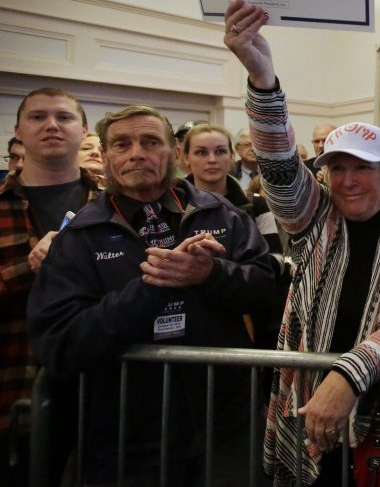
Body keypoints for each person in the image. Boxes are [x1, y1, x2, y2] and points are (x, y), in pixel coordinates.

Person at [222, 0, 380, 487]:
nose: (346, 180)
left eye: (361, 167)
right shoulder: (314, 218)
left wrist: (347, 376)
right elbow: (280, 164)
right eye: (336, 168)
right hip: (304, 407)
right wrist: (262, 78)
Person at [26, 103, 275, 487]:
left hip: (225, 422)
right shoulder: (78, 237)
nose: (136, 153)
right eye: (122, 144)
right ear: (106, 156)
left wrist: (210, 274)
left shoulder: (222, 215)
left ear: (174, 154)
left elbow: (265, 289)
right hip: (126, 432)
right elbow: (58, 342)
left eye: (150, 142)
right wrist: (148, 289)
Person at [1, 89, 100, 487]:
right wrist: (29, 266)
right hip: (12, 387)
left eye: (63, 117)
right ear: (18, 130)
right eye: (38, 117)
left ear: (84, 130)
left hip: (101, 392)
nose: (52, 125)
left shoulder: (114, 206)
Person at [182, 123, 287, 350]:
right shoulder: (174, 208)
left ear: (231, 156)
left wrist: (225, 271)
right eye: (201, 152)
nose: (212, 159)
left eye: (220, 151)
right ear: (186, 158)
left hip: (250, 318)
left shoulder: (256, 205)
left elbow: (277, 259)